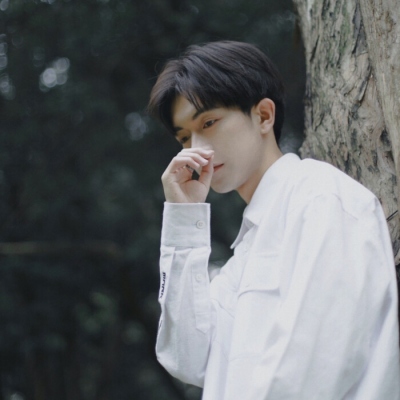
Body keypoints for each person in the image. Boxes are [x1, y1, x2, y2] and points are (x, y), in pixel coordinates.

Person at [147, 41, 400, 399]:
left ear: (264, 116)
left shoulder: (321, 198)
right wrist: (184, 218)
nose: (196, 151)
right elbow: (186, 359)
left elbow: (315, 366)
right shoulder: (240, 261)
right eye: (185, 137)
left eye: (209, 123)